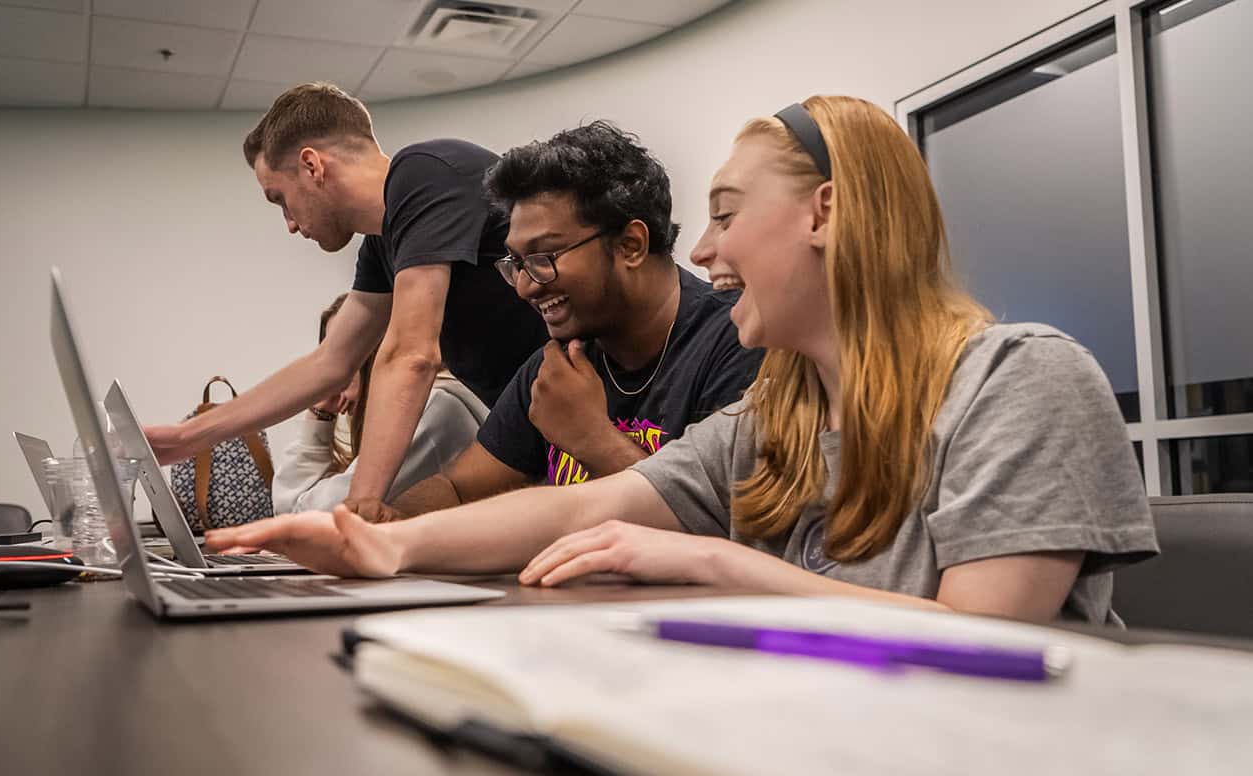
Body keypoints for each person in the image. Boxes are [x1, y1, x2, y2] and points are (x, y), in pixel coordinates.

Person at [205, 96, 1159, 625]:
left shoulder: (1024, 378)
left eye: (728, 216)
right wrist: (386, 541)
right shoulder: (778, 409)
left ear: (826, 214)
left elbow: (982, 644)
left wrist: (714, 562)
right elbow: (585, 503)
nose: (703, 252)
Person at [145, 83, 548, 505]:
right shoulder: (382, 242)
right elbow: (330, 362)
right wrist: (188, 437)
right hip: (538, 437)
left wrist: (357, 514)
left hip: (596, 423)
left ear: (311, 166)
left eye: (280, 199)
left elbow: (411, 356)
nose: (290, 224)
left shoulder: (423, 174)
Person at [360, 121, 763, 520]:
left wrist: (592, 438)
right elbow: (458, 488)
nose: (524, 287)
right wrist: (381, 530)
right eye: (515, 263)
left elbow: (726, 528)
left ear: (631, 245)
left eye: (543, 258)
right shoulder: (555, 366)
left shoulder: (739, 342)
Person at [271, 294, 487, 514]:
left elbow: (318, 516)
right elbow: (292, 510)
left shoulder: (432, 407)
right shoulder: (433, 401)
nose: (334, 375)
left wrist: (318, 417)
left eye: (346, 354)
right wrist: (321, 411)